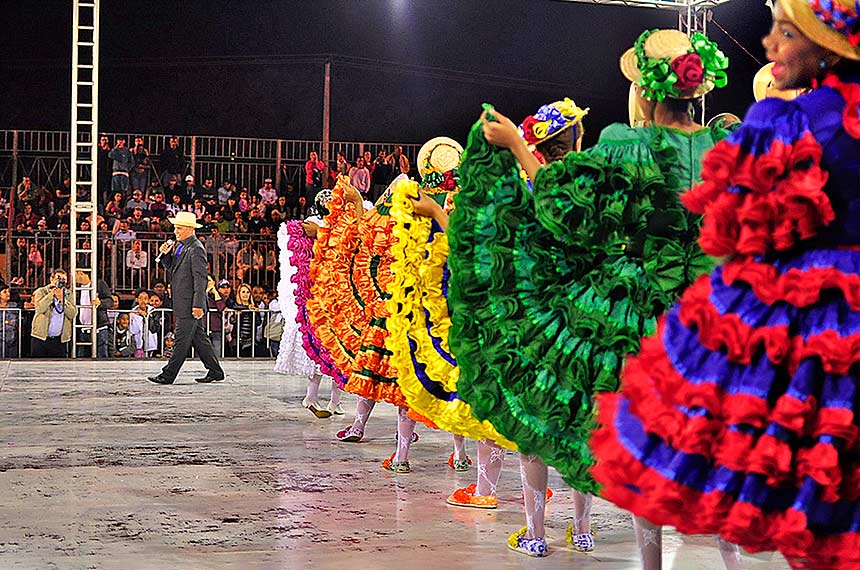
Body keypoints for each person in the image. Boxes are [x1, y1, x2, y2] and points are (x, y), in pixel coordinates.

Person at [590, 4, 860, 569]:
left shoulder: (782, 127)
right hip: (749, 309)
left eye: (787, 33)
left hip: (689, 313)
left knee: (677, 453)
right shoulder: (725, 139)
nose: (769, 44)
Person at [448, 28, 731, 557]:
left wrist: (513, 144)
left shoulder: (630, 144)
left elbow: (565, 207)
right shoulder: (723, 148)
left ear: (646, 92)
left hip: (639, 310)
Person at [148, 211, 224, 384]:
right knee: (199, 339)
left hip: (190, 304)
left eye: (179, 228)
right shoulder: (182, 246)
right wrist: (166, 255)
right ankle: (215, 371)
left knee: (181, 342)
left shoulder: (196, 249)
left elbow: (200, 279)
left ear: (190, 229)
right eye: (176, 228)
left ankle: (168, 375)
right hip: (184, 302)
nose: (176, 231)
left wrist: (198, 304)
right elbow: (173, 268)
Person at [30, 269, 77, 358]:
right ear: (51, 279)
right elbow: (39, 309)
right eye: (58, 278)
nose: (61, 281)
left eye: (64, 279)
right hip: (40, 338)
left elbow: (73, 313)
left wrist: (62, 300)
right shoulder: (41, 291)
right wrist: (51, 295)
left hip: (59, 340)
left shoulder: (68, 294)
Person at [74, 269, 114, 358]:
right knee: (82, 356)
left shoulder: (98, 284)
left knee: (101, 355)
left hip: (99, 327)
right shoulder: (76, 288)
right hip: (83, 328)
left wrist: (100, 302)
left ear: (80, 273)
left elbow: (110, 301)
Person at [0, 284, 21, 358]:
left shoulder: (14, 305)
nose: (8, 294)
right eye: (5, 292)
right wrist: (7, 322)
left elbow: (16, 321)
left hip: (12, 338)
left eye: (8, 291)